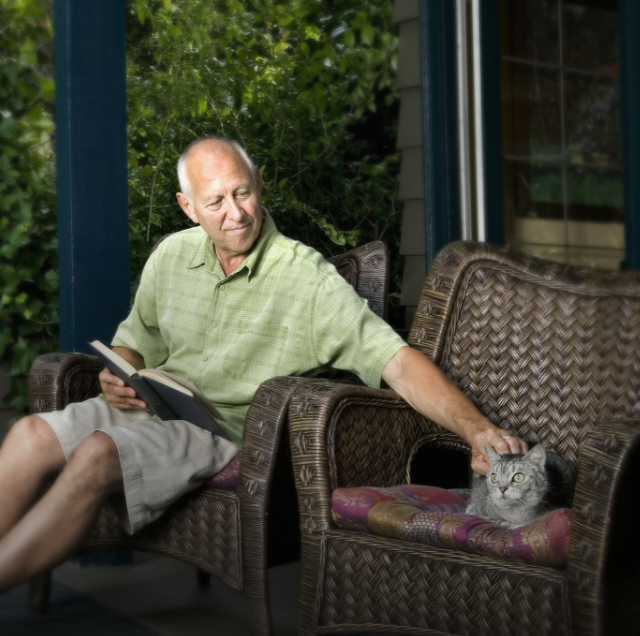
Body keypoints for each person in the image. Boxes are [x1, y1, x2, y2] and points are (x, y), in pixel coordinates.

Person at [0, 137, 527, 594]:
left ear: (259, 182)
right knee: (28, 435)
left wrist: (476, 429)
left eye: (243, 191)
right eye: (216, 202)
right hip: (149, 407)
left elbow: (397, 361)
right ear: (189, 207)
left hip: (220, 431)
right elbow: (136, 342)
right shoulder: (171, 256)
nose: (236, 213)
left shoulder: (306, 277)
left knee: (95, 453)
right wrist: (118, 375)